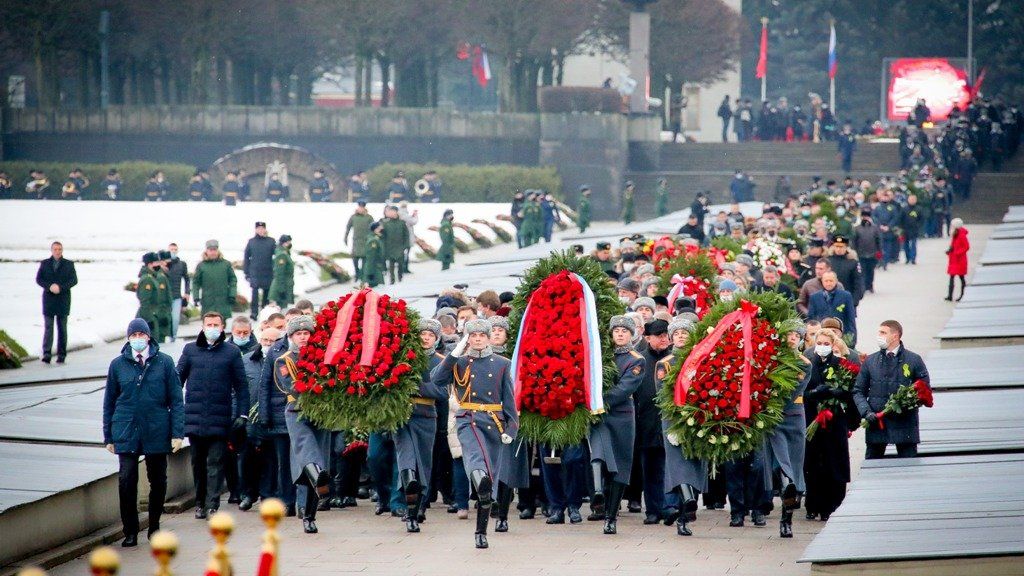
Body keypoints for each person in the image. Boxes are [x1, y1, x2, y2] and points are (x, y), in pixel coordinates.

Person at [430, 319, 518, 549]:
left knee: (489, 479)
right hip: (468, 420)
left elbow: (508, 398)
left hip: (494, 424)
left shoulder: (501, 363)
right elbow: (437, 379)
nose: (477, 339)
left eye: (481, 335)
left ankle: (481, 531)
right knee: (477, 463)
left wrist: (511, 427)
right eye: (473, 335)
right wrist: (454, 355)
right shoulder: (460, 362)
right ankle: (481, 481)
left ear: (488, 338)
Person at [103, 318, 185, 548]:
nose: (138, 339)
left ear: (148, 337)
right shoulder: (118, 365)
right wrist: (108, 435)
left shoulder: (165, 363)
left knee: (158, 480)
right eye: (133, 335)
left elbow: (176, 400)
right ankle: (130, 530)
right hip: (126, 429)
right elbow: (109, 401)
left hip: (157, 429)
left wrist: (177, 432)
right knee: (127, 479)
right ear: (128, 338)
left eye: (141, 335)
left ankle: (155, 525)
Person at [176, 312, 249, 518]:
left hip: (220, 418)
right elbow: (176, 380)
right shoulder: (190, 350)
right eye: (209, 324)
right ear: (202, 326)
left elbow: (241, 386)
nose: (212, 327)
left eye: (216, 324)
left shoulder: (231, 352)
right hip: (195, 417)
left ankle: (212, 503)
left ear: (222, 326)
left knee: (215, 462)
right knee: (197, 463)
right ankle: (200, 502)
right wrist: (175, 410)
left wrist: (242, 414)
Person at [588, 316, 644, 534]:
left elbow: (624, 388)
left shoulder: (636, 359)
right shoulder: (602, 357)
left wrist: (599, 401)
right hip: (600, 417)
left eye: (624, 331)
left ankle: (611, 517)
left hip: (620, 416)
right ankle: (598, 493)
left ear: (632, 334)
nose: (620, 334)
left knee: (620, 467)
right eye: (616, 331)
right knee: (598, 454)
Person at [394, 320, 448, 533]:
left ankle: (420, 504)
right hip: (402, 417)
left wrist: (417, 387)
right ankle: (410, 511)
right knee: (407, 461)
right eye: (422, 333)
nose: (425, 338)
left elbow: (443, 393)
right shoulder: (404, 357)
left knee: (423, 464)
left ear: (436, 339)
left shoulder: (440, 361)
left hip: (426, 417)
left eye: (430, 335)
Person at [854, 320, 930, 460]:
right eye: (879, 332)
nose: (879, 335)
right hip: (877, 424)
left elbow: (924, 389)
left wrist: (906, 403)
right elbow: (858, 391)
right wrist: (867, 412)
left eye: (883, 332)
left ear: (895, 336)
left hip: (905, 425)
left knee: (909, 466)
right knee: (873, 467)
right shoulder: (871, 361)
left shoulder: (913, 360)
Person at [804, 327, 858, 523]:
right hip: (813, 420)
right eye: (819, 344)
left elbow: (851, 392)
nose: (822, 347)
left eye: (826, 344)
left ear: (833, 345)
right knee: (813, 464)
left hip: (835, 422)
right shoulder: (809, 365)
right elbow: (802, 392)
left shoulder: (841, 365)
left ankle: (833, 506)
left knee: (834, 464)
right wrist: (814, 393)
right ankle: (813, 505)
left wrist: (837, 394)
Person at [766, 326, 809, 537]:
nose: (792, 339)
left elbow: (793, 392)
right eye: (789, 335)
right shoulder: (771, 358)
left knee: (793, 464)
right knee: (781, 464)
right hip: (774, 419)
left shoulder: (803, 363)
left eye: (796, 336)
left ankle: (787, 517)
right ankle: (787, 486)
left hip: (793, 418)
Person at [238, 326, 280, 511]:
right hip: (250, 418)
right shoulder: (246, 361)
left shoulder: (282, 360)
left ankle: (267, 495)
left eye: (272, 341)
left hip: (273, 417)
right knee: (248, 458)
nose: (268, 344)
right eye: (265, 341)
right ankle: (248, 493)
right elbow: (238, 389)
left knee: (270, 459)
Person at [632, 319, 670, 525]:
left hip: (669, 423)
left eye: (665, 334)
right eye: (658, 335)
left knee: (669, 468)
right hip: (646, 422)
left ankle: (670, 506)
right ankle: (653, 510)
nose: (663, 338)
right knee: (650, 468)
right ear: (647, 338)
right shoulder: (641, 361)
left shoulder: (674, 359)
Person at [36, 241, 78, 364]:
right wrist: (49, 286)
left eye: (59, 249)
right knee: (48, 328)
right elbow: (39, 279)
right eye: (55, 249)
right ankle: (47, 354)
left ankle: (61, 354)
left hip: (63, 300)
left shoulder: (68, 264)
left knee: (62, 329)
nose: (57, 251)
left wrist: (61, 287)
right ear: (52, 250)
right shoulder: (45, 264)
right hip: (49, 300)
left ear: (62, 250)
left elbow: (74, 280)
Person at [192, 240, 237, 320]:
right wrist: (196, 297)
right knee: (208, 325)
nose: (213, 252)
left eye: (215, 250)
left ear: (218, 250)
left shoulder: (226, 264)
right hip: (207, 302)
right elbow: (196, 283)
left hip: (223, 302)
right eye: (210, 250)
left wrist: (232, 295)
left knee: (222, 327)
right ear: (206, 251)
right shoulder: (201, 266)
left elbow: (233, 280)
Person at [807, 272, 857, 342]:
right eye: (826, 281)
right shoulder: (814, 297)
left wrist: (852, 337)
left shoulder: (846, 296)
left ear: (836, 281)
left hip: (841, 335)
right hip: (821, 336)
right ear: (822, 281)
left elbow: (851, 318)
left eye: (831, 281)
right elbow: (811, 317)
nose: (828, 283)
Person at [136, 252, 172, 344]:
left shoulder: (153, 277)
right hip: (148, 317)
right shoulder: (147, 280)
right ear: (150, 264)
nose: (159, 265)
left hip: (154, 315)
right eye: (156, 263)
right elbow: (145, 302)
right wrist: (149, 320)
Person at [244, 222, 276, 319]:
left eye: (262, 228)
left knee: (267, 292)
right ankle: (254, 312)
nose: (261, 230)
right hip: (255, 271)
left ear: (265, 229)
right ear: (256, 230)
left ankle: (264, 311)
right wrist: (246, 272)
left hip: (267, 271)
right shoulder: (251, 242)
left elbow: (276, 255)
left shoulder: (271, 241)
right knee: (254, 292)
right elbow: (246, 257)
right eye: (259, 228)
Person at [827, 237, 864, 306]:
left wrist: (854, 301)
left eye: (841, 247)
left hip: (848, 299)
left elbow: (857, 282)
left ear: (846, 248)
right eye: (836, 246)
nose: (838, 249)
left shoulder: (853, 262)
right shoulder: (828, 261)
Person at [165, 244, 190, 342]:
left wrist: (187, 292)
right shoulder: (164, 264)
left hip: (177, 296)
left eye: (175, 249)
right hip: (165, 297)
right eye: (171, 249)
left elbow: (187, 279)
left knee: (175, 319)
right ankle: (164, 336)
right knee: (166, 318)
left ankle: (173, 337)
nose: (173, 251)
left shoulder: (182, 264)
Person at [852, 208, 881, 293]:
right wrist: (855, 252)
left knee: (870, 271)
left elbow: (878, 240)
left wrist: (879, 251)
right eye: (864, 217)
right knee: (862, 271)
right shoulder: (857, 228)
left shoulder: (874, 228)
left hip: (872, 253)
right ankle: (863, 286)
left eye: (867, 217)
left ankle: (870, 285)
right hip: (861, 253)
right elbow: (854, 241)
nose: (865, 218)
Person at [345, 201, 373, 280]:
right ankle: (357, 274)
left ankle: (362, 275)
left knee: (364, 259)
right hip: (356, 241)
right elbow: (348, 227)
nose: (361, 209)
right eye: (359, 207)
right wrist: (345, 237)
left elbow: (373, 229)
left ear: (364, 208)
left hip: (365, 241)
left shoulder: (369, 217)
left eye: (362, 207)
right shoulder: (353, 217)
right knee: (355, 259)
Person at [382, 205, 409, 284]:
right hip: (390, 247)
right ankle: (392, 280)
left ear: (396, 212)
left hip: (400, 247)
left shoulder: (402, 223)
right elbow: (383, 236)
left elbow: (406, 235)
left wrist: (405, 246)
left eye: (393, 211)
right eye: (390, 211)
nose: (391, 213)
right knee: (391, 265)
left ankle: (400, 278)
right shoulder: (386, 223)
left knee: (400, 265)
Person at [945, 218, 970, 301]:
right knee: (952, 277)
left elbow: (966, 247)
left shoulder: (961, 235)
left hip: (960, 260)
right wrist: (950, 250)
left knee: (961, 277)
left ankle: (963, 295)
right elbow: (953, 245)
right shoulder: (955, 234)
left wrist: (957, 252)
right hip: (954, 260)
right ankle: (950, 295)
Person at [269, 235, 295, 308]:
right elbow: (279, 273)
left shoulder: (285, 253)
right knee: (282, 310)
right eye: (288, 242)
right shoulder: (282, 255)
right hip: (282, 286)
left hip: (285, 285)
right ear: (284, 243)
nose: (290, 244)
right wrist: (281, 290)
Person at [900, 195, 924, 265]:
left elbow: (922, 219)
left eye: (913, 199)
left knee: (913, 244)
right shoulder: (904, 209)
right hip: (905, 229)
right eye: (911, 199)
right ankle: (907, 258)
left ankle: (913, 258)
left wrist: (918, 226)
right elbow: (901, 218)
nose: (912, 201)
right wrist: (901, 228)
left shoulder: (919, 209)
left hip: (914, 229)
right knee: (906, 245)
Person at [362, 222, 385, 287]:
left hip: (376, 269)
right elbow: (370, 258)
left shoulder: (376, 238)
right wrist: (370, 273)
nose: (381, 229)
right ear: (375, 229)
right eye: (379, 228)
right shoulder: (373, 240)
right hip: (374, 272)